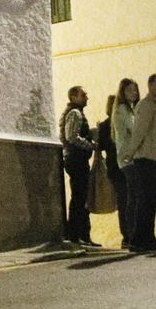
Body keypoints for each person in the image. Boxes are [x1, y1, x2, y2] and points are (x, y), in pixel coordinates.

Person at [119, 74, 156, 253]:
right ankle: (141, 238)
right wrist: (130, 153)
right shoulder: (146, 105)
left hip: (152, 159)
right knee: (149, 198)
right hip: (145, 158)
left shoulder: (154, 105)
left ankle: (144, 238)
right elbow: (139, 131)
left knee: (151, 198)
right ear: (150, 85)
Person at [59, 86, 96, 248]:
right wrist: (90, 145)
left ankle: (82, 235)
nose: (86, 97)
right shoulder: (75, 113)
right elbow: (72, 136)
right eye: (83, 95)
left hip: (75, 159)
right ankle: (76, 235)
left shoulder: (75, 112)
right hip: (76, 160)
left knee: (81, 197)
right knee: (79, 198)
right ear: (74, 97)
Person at [110, 79, 141, 250]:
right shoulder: (123, 109)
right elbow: (135, 130)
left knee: (134, 196)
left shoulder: (129, 109)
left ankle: (132, 234)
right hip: (129, 158)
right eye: (130, 90)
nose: (134, 93)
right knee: (134, 197)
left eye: (135, 90)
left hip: (128, 157)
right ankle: (132, 235)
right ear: (123, 92)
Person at [96, 94, 127, 247]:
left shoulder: (104, 125)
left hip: (113, 167)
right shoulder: (122, 122)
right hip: (124, 165)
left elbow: (100, 146)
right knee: (128, 200)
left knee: (123, 201)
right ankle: (129, 234)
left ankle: (126, 235)